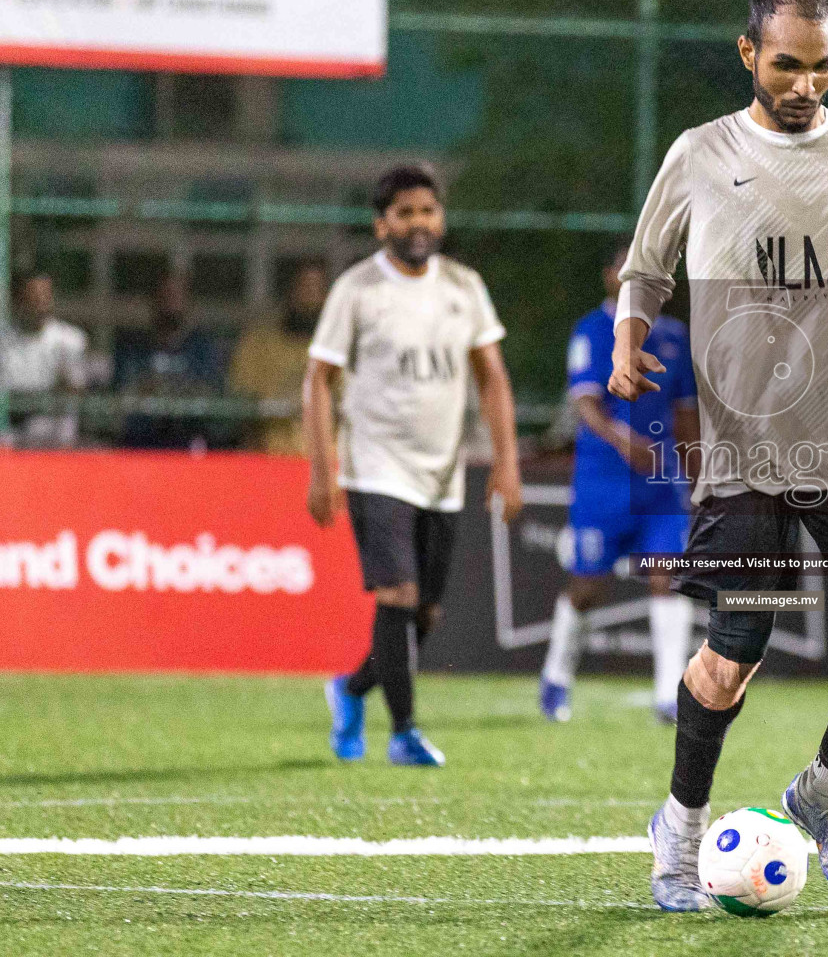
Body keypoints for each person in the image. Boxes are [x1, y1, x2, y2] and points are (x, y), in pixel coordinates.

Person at [608, 0, 828, 909]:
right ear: (747, 54)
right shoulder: (699, 155)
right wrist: (627, 336)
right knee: (738, 646)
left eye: (822, 65)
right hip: (746, 458)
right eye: (787, 64)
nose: (805, 84)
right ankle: (679, 831)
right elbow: (645, 270)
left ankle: (821, 794)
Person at [304, 163, 524, 767]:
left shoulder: (463, 286)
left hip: (443, 473)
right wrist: (323, 469)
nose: (418, 222)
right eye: (404, 213)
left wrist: (506, 463)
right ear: (381, 226)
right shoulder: (357, 290)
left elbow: (493, 380)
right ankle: (403, 734)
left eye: (427, 211)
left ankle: (350, 692)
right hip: (376, 467)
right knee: (397, 595)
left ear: (441, 218)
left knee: (422, 614)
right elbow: (318, 380)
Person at [539, 242, 700, 725]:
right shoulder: (591, 330)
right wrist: (621, 440)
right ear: (611, 276)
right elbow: (586, 403)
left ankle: (671, 696)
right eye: (631, 271)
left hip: (661, 484)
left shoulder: (676, 337)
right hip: (603, 484)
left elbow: (687, 414)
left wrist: (698, 473)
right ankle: (556, 677)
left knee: (666, 578)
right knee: (588, 586)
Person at [112, 270, 224, 449]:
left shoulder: (202, 348)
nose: (170, 304)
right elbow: (119, 394)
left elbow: (213, 394)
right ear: (153, 301)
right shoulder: (132, 347)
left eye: (177, 296)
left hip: (190, 439)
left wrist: (179, 388)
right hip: (140, 441)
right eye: (165, 296)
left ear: (189, 302)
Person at [228, 262, 328, 455]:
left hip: (324, 460)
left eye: (317, 289)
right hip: (270, 457)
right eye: (304, 287)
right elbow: (240, 404)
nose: (309, 297)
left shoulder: (338, 348)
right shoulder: (257, 343)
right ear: (290, 291)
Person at [1, 271, 88, 448]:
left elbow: (75, 390)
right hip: (9, 436)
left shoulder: (70, 339)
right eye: (32, 297)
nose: (39, 304)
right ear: (18, 301)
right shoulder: (4, 338)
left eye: (44, 296)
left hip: (53, 437)